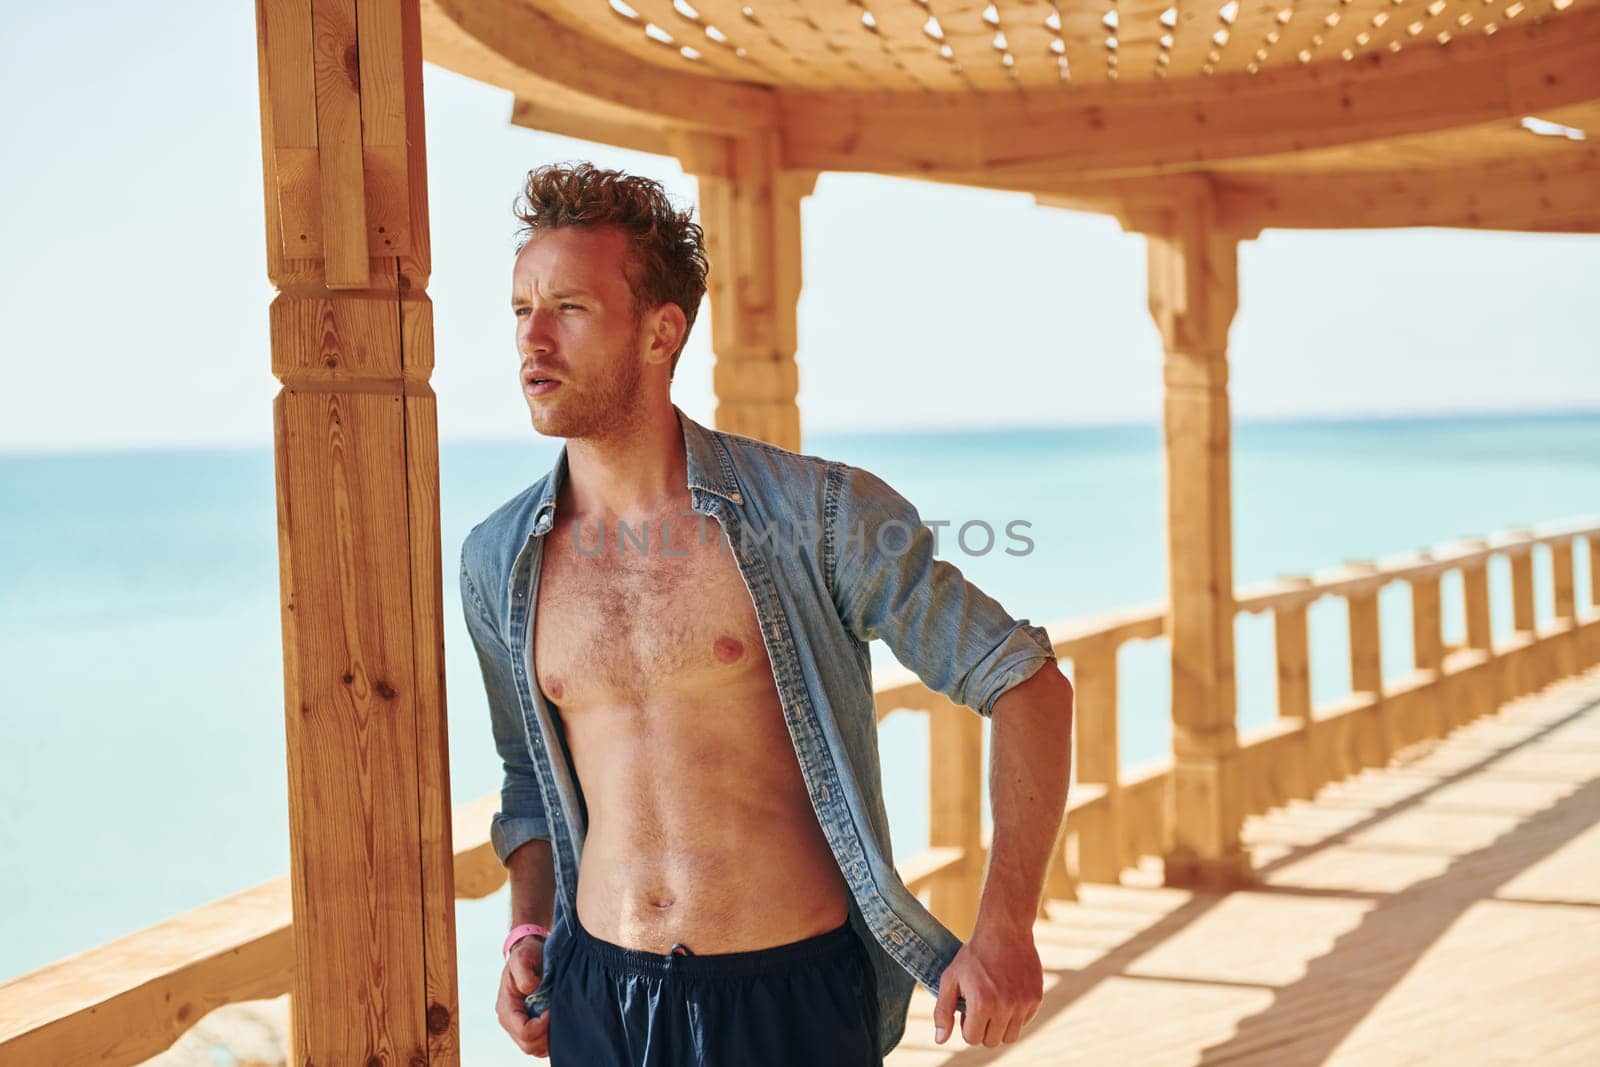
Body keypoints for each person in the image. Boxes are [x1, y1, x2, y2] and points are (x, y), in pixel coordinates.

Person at [459, 162, 1074, 1065]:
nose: (533, 340)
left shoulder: (818, 519)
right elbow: (529, 778)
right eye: (522, 309)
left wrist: (1007, 927)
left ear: (661, 331)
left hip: (784, 1001)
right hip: (597, 998)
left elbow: (1027, 682)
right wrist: (525, 934)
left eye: (571, 309)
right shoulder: (498, 558)